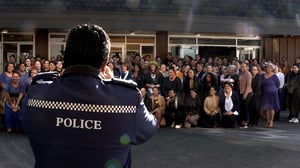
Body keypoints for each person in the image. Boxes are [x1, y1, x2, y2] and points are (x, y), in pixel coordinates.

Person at [21, 24, 157, 168]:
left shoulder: (36, 95)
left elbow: (26, 123)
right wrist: (112, 84)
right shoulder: (126, 100)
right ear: (105, 64)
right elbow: (148, 128)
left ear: (66, 58)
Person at [260, 63, 280, 128]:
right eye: (266, 67)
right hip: (265, 94)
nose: (268, 68)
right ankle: (268, 121)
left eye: (269, 67)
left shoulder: (274, 76)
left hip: (273, 94)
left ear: (271, 68)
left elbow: (278, 85)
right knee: (266, 108)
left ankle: (271, 121)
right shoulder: (263, 76)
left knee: (271, 108)